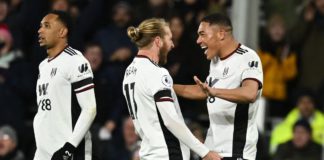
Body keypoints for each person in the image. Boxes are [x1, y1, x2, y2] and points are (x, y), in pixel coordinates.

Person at [122, 18, 222, 160]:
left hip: (148, 153)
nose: (173, 45)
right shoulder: (157, 72)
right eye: (170, 39)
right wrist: (204, 152)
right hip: (167, 154)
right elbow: (170, 120)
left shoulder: (129, 73)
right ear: (158, 41)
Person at [174, 13, 263, 160]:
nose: (198, 40)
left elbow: (250, 93)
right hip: (212, 151)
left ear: (221, 34)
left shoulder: (248, 57)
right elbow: (204, 91)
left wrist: (214, 92)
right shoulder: (215, 61)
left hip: (235, 153)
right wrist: (167, 86)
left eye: (202, 34)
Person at [33, 10, 96, 160]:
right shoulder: (43, 66)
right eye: (40, 26)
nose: (40, 30)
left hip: (67, 152)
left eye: (46, 26)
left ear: (62, 31)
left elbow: (90, 109)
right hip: (43, 151)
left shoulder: (75, 61)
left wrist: (69, 148)